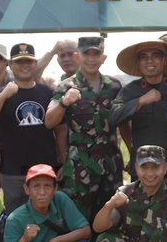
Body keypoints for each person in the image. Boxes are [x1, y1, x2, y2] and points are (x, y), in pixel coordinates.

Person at [46, 35, 125, 221]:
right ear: (77, 56)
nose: (91, 59)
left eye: (95, 54)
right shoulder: (66, 86)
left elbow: (123, 123)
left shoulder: (114, 86)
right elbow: (49, 121)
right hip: (81, 168)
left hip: (110, 165)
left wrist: (131, 151)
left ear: (103, 58)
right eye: (86, 54)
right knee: (79, 220)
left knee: (112, 218)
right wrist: (64, 103)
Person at [0, 42, 63, 200]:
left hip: (44, 170)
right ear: (10, 64)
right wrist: (3, 96)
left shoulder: (48, 92)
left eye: (29, 61)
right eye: (19, 62)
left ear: (35, 64)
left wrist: (63, 160)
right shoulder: (0, 94)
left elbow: (59, 129)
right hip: (13, 172)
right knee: (14, 213)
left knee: (46, 213)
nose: (24, 65)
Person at [108, 40, 167, 185]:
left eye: (155, 56)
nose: (150, 61)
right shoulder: (130, 90)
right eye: (144, 57)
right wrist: (140, 101)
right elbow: (114, 117)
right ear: (138, 62)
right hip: (143, 169)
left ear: (164, 60)